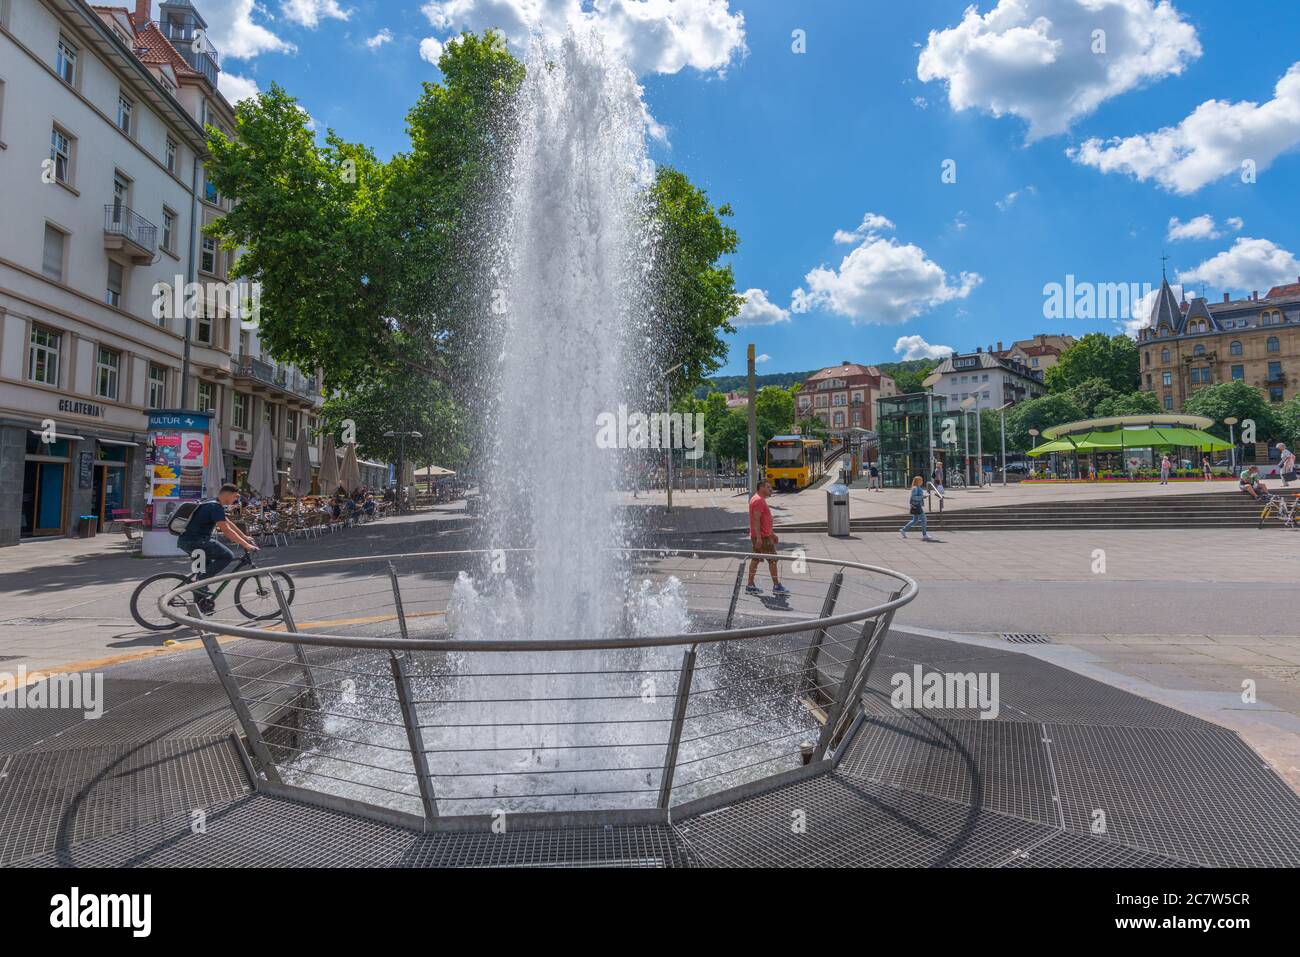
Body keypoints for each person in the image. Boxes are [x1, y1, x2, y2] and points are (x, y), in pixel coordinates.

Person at [176, 483, 258, 614]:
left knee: (201, 571)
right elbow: (226, 530)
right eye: (235, 496)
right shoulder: (215, 506)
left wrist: (245, 537)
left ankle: (200, 605)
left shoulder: (210, 503)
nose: (236, 500)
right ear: (228, 494)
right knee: (227, 556)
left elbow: (228, 523)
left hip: (186, 542)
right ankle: (199, 585)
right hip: (198, 542)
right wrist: (246, 545)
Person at [745, 479, 788, 595]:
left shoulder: (757, 499)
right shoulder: (758, 501)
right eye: (768, 487)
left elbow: (764, 521)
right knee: (773, 560)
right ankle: (776, 586)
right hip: (763, 537)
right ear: (761, 488)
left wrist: (772, 534)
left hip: (763, 535)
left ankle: (750, 585)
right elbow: (756, 520)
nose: (771, 489)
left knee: (756, 559)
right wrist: (759, 537)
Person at [900, 476, 934, 541]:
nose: (922, 482)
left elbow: (914, 497)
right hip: (917, 506)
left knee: (915, 520)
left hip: (916, 505)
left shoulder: (917, 487)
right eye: (921, 480)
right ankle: (924, 535)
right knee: (924, 519)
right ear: (917, 481)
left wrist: (923, 496)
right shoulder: (915, 488)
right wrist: (922, 497)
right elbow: (913, 497)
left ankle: (903, 530)